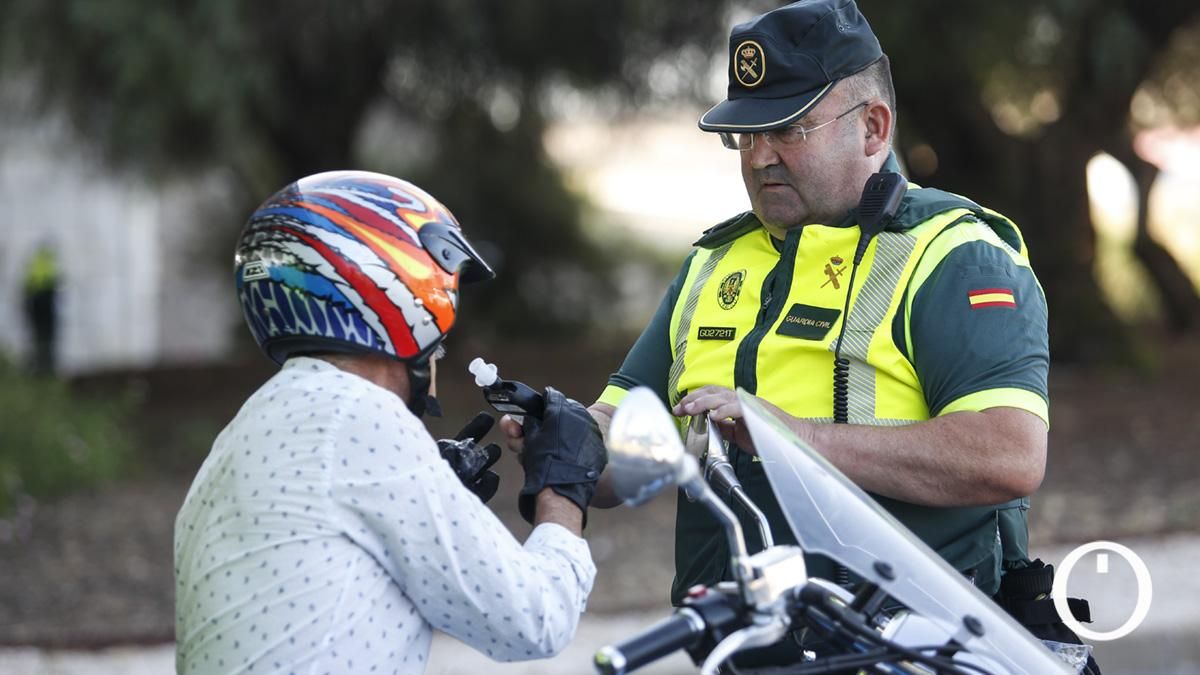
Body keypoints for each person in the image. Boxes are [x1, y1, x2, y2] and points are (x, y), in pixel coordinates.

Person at [507, 0, 1097, 670]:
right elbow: (626, 446)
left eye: (787, 130)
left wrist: (794, 437)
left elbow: (1008, 454)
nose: (759, 158)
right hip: (735, 650)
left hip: (909, 653)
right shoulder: (713, 263)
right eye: (743, 136)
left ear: (873, 128)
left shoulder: (955, 255)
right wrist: (562, 438)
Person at [174, 171, 607, 674]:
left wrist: (431, 492)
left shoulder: (244, 431)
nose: (441, 350)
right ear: (398, 296)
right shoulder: (359, 420)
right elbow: (535, 620)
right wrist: (562, 490)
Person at [22, 243, 60, 374]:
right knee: (47, 336)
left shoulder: (34, 264)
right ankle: (46, 367)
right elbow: (54, 285)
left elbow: (27, 287)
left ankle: (38, 366)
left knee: (37, 336)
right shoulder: (50, 264)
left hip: (35, 305)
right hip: (45, 304)